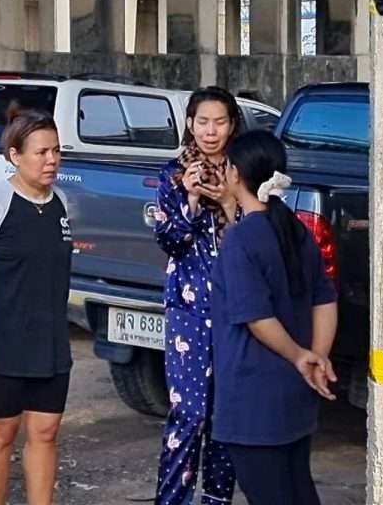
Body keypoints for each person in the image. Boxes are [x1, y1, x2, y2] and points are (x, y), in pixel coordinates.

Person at [210, 130, 339, 505]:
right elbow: (325, 298)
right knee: (298, 490)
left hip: (253, 400)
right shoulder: (296, 230)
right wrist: (316, 356)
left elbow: (256, 317)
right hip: (295, 396)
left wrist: (300, 356)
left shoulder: (240, 240)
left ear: (235, 174)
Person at [0, 108, 73, 505]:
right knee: (1, 434)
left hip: (51, 343)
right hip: (4, 343)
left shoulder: (60, 202)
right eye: (41, 152)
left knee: (46, 433)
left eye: (56, 151)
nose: (51, 160)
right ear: (15, 155)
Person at [153, 86, 241, 505]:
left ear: (232, 125)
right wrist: (190, 199)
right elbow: (169, 241)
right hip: (188, 308)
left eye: (219, 122)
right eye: (203, 122)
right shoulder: (173, 174)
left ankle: (216, 500)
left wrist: (228, 201)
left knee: (226, 414)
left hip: (237, 308)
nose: (210, 131)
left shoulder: (241, 173)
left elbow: (254, 237)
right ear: (190, 124)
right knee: (189, 413)